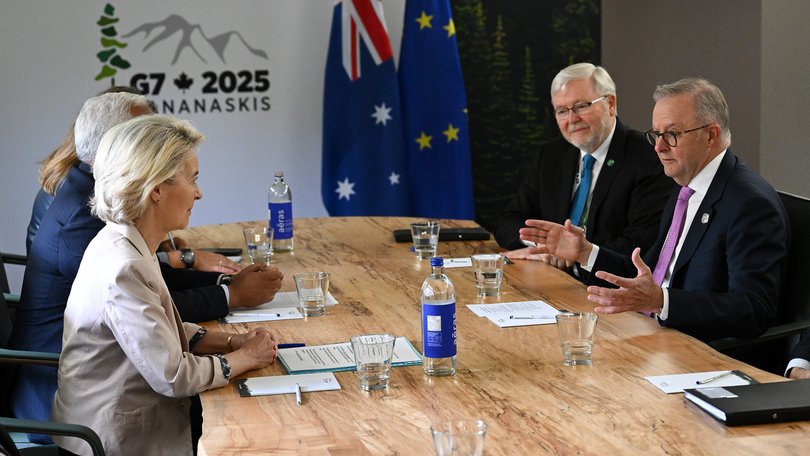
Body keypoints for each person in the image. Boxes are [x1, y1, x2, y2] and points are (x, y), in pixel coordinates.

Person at [9, 92, 283, 438]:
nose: (199, 194)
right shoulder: (123, 264)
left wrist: (230, 342)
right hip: (115, 440)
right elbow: (173, 376)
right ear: (156, 189)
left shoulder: (127, 240)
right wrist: (246, 358)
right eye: (193, 179)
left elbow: (158, 329)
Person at [521, 78, 789, 344]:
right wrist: (586, 252)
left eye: (671, 134)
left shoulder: (749, 203)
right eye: (656, 135)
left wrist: (662, 301)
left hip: (700, 352)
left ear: (710, 135)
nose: (659, 147)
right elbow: (649, 274)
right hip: (649, 332)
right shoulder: (685, 188)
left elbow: (754, 310)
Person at [495, 63, 672, 274]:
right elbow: (509, 221)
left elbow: (642, 241)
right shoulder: (551, 156)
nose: (572, 119)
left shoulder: (647, 156)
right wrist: (541, 246)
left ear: (611, 104)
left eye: (581, 106)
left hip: (607, 287)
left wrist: (576, 255)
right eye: (562, 111)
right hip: (549, 278)